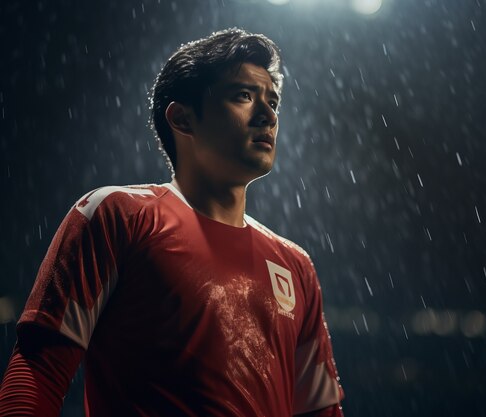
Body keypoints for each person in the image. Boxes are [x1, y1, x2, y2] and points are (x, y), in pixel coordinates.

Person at [0, 28, 345, 417]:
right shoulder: (118, 215)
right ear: (182, 118)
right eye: (244, 96)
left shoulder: (295, 265)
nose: (268, 115)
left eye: (273, 101)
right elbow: (38, 372)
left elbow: (321, 412)